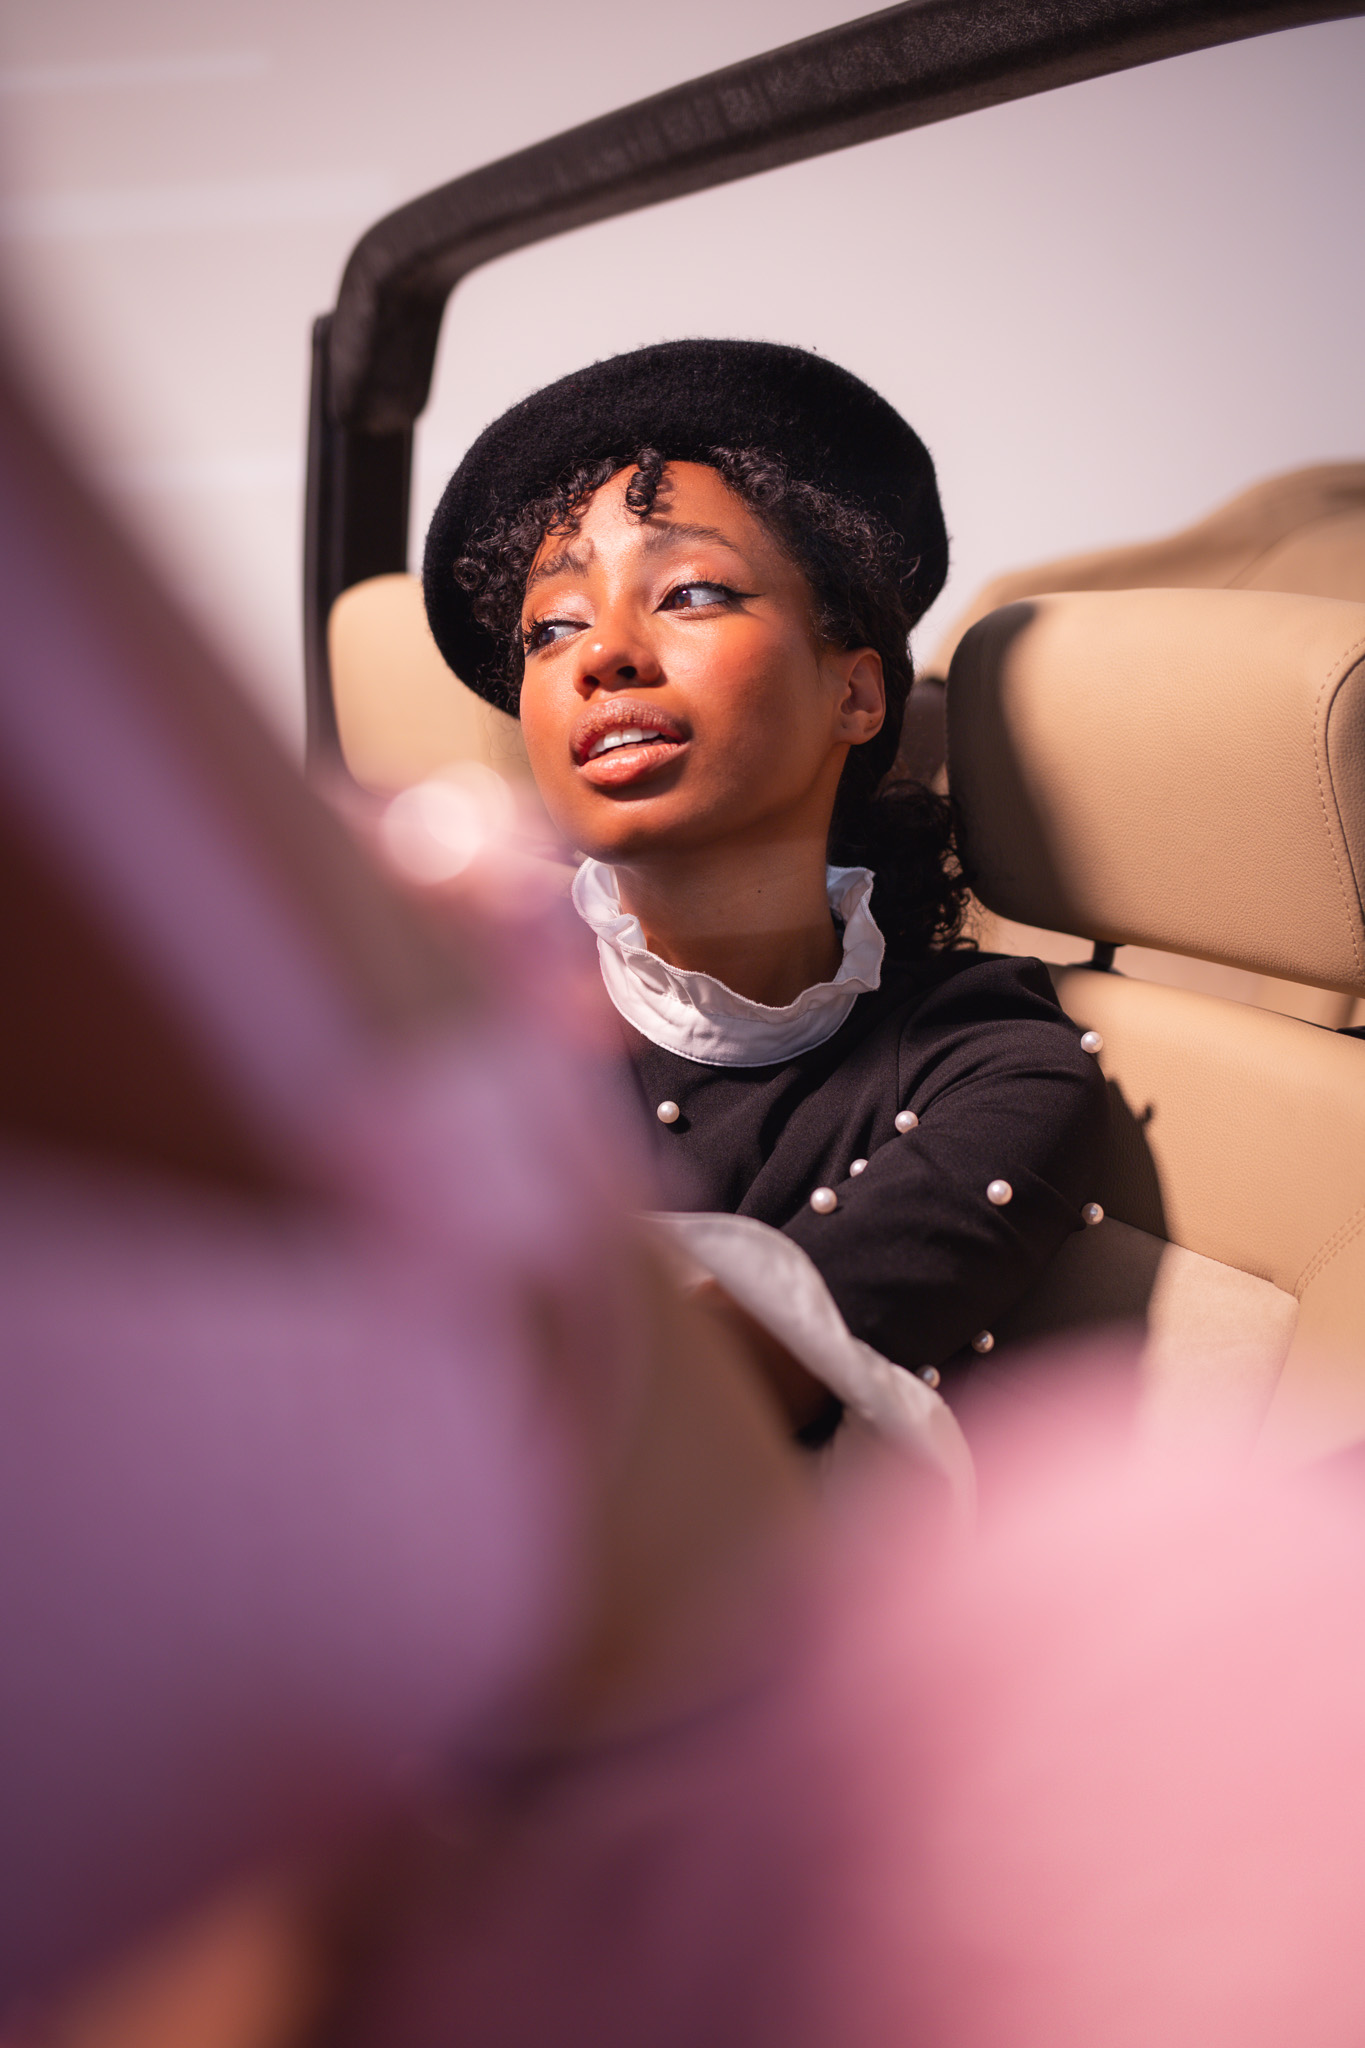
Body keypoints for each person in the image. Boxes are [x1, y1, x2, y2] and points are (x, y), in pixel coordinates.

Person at [422, 340, 1107, 1453]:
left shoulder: (993, 1063)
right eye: (552, 627)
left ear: (856, 693)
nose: (602, 653)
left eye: (690, 592)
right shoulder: (440, 992)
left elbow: (679, 1423)